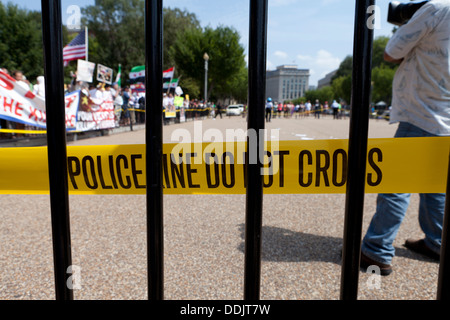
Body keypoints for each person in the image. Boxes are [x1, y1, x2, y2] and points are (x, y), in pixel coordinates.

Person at [360, 0, 450, 276]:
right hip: (446, 115)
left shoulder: (437, 7)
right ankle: (437, 242)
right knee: (435, 185)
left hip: (422, 109)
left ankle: (376, 249)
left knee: (396, 183)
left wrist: (408, 22)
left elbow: (391, 52)